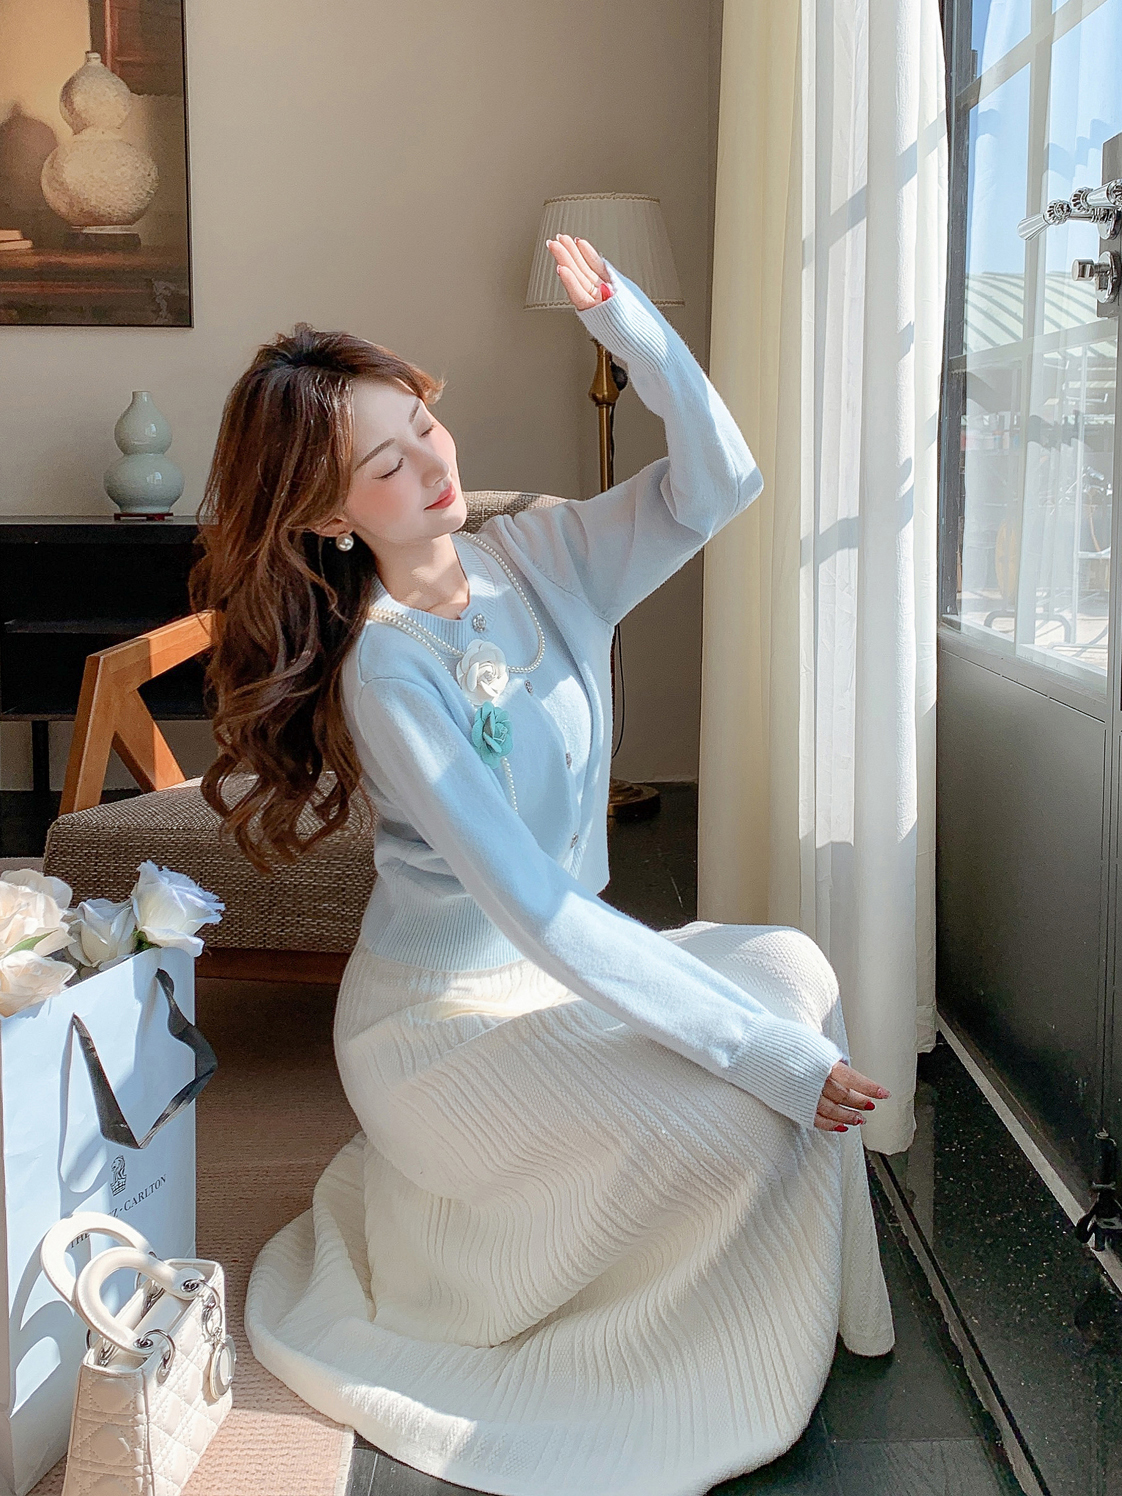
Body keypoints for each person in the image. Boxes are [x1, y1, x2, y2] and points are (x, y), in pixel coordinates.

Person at [190, 234, 895, 1496]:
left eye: (423, 423)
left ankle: (747, 1290)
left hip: (556, 981)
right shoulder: (386, 671)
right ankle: (653, 1358)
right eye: (385, 464)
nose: (432, 464)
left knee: (794, 964)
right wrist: (767, 1058)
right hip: (442, 1026)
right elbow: (541, 908)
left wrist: (632, 330)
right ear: (326, 517)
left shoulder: (541, 552)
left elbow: (722, 480)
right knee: (746, 1101)